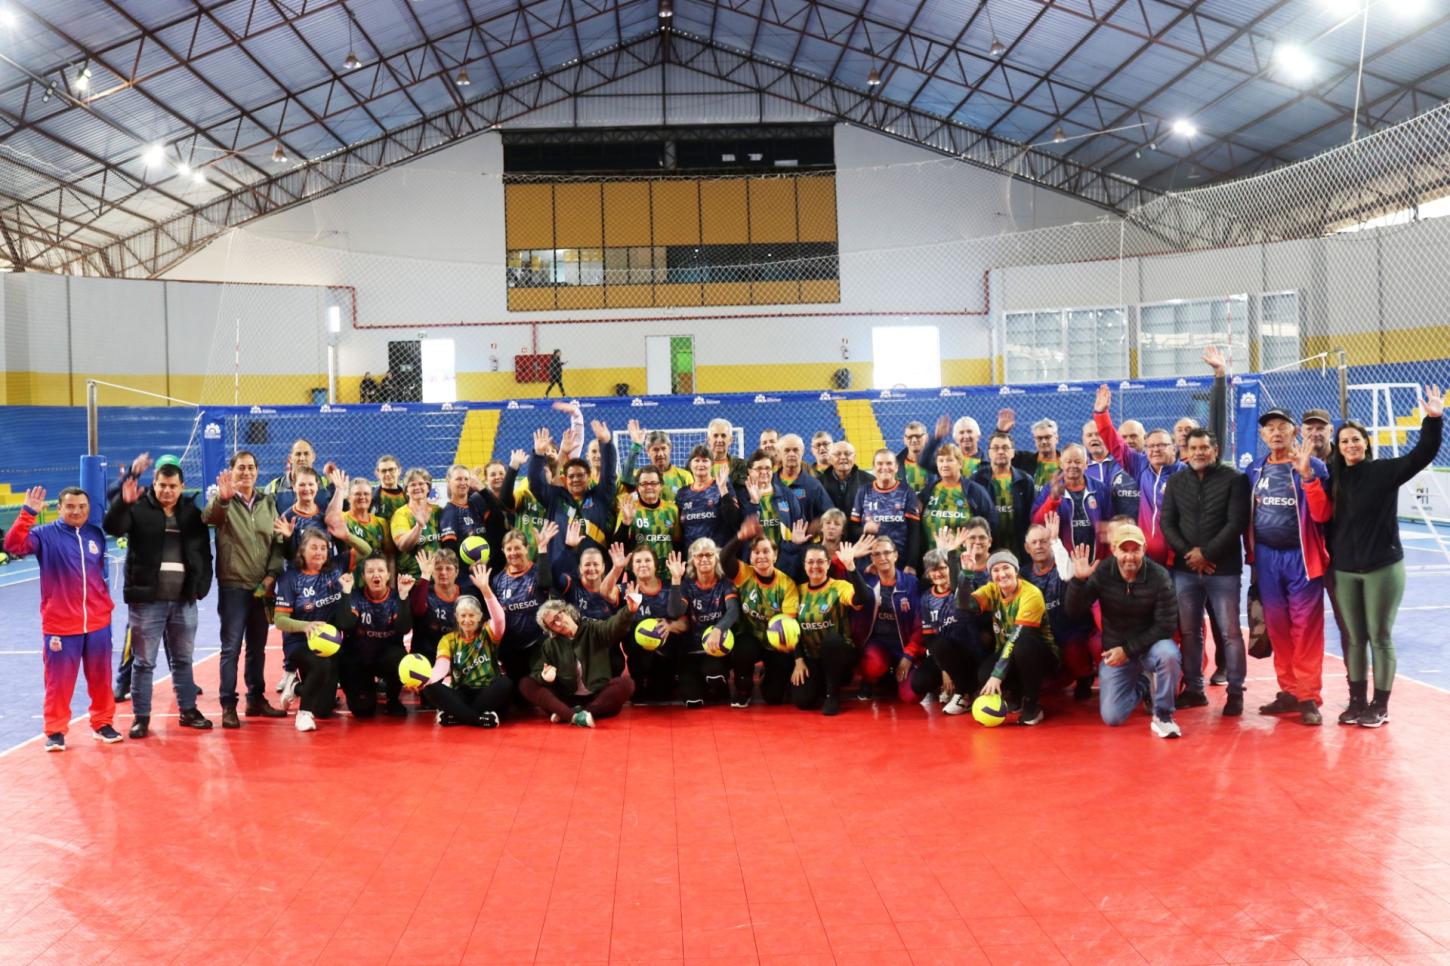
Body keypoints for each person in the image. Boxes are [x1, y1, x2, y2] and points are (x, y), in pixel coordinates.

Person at [1325, 387, 1444, 727]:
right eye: (1345, 441)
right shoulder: (1331, 478)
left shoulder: (1384, 471)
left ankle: (1380, 705)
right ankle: (1356, 701)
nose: (1351, 445)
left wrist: (1433, 419)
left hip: (1382, 568)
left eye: (1356, 440)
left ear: (1366, 443)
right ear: (1338, 446)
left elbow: (1422, 453)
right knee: (1354, 638)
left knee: (1379, 635)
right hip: (1346, 570)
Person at [4, 485, 122, 751]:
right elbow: (13, 545)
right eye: (70, 506)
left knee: (102, 678)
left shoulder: (95, 534)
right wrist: (27, 513)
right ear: (60, 508)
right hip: (60, 624)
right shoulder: (44, 534)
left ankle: (102, 723)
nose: (76, 511)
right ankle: (55, 730)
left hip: (97, 623)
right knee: (58, 682)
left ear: (88, 509)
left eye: (81, 507)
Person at [104, 456, 214, 738]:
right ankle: (141, 718)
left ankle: (188, 710)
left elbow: (203, 552)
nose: (167, 491)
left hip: (183, 601)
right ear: (154, 484)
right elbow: (113, 527)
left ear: (182, 487)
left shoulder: (191, 513)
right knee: (144, 663)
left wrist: (201, 586)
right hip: (147, 602)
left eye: (172, 486)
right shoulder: (139, 507)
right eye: (162, 485)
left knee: (182, 660)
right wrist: (123, 503)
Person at [1248, 408, 1332, 725]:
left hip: (1302, 559)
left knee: (1306, 629)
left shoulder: (1315, 466)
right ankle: (1289, 691)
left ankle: (1308, 696)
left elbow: (1322, 514)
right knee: (1278, 628)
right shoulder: (1254, 469)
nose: (1276, 432)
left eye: (1283, 426)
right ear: (1262, 436)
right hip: (1267, 560)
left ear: (1294, 432)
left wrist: (1308, 476)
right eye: (1270, 428)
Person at [1161, 427, 1250, 716]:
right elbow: (1167, 523)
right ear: (1185, 451)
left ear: (1214, 450)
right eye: (1194, 448)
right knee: (1189, 632)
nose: (1199, 452)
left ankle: (1235, 692)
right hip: (1186, 570)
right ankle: (1195, 689)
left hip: (1223, 570)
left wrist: (1207, 554)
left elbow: (1235, 522)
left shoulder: (1235, 479)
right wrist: (1191, 555)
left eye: (1204, 447)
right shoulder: (1176, 481)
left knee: (1230, 633)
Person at [1064, 524, 1183, 738]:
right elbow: (1074, 611)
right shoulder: (1103, 572)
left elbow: (1166, 625)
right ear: (1114, 550)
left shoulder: (1159, 577)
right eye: (1124, 549)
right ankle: (1145, 683)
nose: (1130, 556)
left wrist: (1127, 650)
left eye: (1135, 550)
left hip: (1148, 648)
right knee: (1113, 717)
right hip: (1116, 651)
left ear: (1144, 549)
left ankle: (1163, 716)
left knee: (1169, 654)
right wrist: (1079, 581)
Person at [204, 451, 287, 728]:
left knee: (257, 648)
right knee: (230, 649)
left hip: (262, 587)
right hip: (233, 586)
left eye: (251, 467)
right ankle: (228, 705)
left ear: (257, 471)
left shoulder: (267, 501)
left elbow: (277, 541)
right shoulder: (223, 500)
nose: (246, 472)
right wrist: (223, 499)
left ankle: (256, 699)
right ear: (232, 471)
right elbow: (209, 518)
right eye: (241, 468)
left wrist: (272, 575)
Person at [958, 550, 1057, 726]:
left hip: (1042, 655)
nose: (1002, 574)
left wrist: (998, 675)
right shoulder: (992, 590)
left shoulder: (1030, 593)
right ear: (991, 575)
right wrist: (966, 574)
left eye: (1006, 568)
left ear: (1016, 570)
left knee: (1022, 644)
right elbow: (965, 604)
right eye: (996, 570)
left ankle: (1032, 703)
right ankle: (1016, 693)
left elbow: (1018, 635)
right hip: (1009, 652)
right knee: (984, 675)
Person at [273, 529, 356, 733]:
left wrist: (345, 534)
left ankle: (296, 688)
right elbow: (279, 620)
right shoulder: (290, 578)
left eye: (323, 548)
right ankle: (303, 714)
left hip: (329, 642)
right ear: (302, 550)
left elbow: (367, 549)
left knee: (324, 709)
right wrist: (305, 626)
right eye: (313, 547)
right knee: (321, 664)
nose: (319, 552)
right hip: (299, 643)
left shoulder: (335, 568)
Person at [522, 597, 639, 727]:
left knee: (626, 684)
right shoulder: (549, 645)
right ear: (550, 629)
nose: (559, 624)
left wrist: (629, 610)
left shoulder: (593, 629)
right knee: (526, 683)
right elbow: (537, 671)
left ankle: (573, 713)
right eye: (553, 624)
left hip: (596, 695)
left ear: (566, 611)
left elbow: (613, 625)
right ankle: (574, 716)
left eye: (558, 617)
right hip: (567, 698)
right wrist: (544, 677)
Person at [722, 519, 801, 707]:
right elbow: (724, 559)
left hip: (777, 644)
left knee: (773, 698)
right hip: (751, 638)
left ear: (775, 556)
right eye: (756, 552)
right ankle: (744, 688)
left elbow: (790, 624)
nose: (761, 556)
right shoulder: (744, 573)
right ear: (750, 557)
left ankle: (772, 675)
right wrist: (739, 537)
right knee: (743, 647)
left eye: (766, 551)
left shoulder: (787, 584)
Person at [1023, 516, 1099, 702]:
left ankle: (1084, 677)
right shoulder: (1022, 574)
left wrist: (1056, 541)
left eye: (1044, 541)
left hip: (1072, 632)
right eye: (1034, 542)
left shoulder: (1065, 566)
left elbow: (1069, 576)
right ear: (1027, 548)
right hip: (1044, 636)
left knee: (1073, 651)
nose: (1039, 546)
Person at [792, 542, 870, 715]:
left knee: (832, 640)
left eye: (820, 562)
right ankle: (822, 685)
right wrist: (798, 660)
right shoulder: (797, 591)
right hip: (813, 657)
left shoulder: (839, 586)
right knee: (803, 701)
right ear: (804, 565)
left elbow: (863, 598)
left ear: (828, 564)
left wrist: (851, 567)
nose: (815, 566)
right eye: (810, 562)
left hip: (841, 653)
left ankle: (833, 695)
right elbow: (792, 628)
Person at [666, 541, 741, 707]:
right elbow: (674, 612)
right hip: (690, 650)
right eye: (699, 555)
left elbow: (733, 611)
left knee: (714, 676)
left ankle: (717, 685)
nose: (704, 559)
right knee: (693, 701)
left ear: (716, 558)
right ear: (693, 560)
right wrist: (676, 580)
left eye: (708, 555)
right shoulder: (687, 585)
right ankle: (698, 684)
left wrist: (718, 629)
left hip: (716, 650)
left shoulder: (725, 584)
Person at [424, 588, 512, 728]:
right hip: (462, 692)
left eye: (471, 615)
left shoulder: (488, 632)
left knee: (505, 683)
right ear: (457, 618)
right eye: (463, 615)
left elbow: (499, 619)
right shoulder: (448, 640)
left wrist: (487, 592)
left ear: (479, 617)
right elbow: (441, 667)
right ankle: (478, 719)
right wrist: (427, 680)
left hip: (487, 690)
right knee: (429, 687)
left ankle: (458, 716)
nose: (467, 620)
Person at [528, 420, 617, 556]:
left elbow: (609, 474)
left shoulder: (600, 496)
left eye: (580, 475)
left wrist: (606, 444)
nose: (576, 479)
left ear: (588, 477)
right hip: (560, 569)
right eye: (572, 476)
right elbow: (535, 483)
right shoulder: (555, 497)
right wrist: (538, 454)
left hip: (595, 568)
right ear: (566, 478)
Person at [341, 557, 415, 718]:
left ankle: (393, 699)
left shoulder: (397, 597)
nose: (376, 574)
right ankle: (366, 688)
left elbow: (404, 628)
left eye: (381, 570)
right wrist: (346, 592)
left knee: (400, 658)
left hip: (386, 657)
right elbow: (345, 624)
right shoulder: (355, 596)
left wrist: (403, 597)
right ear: (363, 577)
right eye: (370, 571)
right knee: (363, 711)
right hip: (359, 659)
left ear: (388, 575)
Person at [852, 536, 924, 702]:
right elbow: (838, 577)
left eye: (886, 553)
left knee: (911, 697)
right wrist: (852, 557)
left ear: (896, 555)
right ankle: (869, 679)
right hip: (877, 644)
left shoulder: (911, 583)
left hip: (904, 645)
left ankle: (893, 677)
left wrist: (909, 656)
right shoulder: (866, 581)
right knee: (874, 665)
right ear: (872, 558)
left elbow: (920, 624)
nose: (882, 558)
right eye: (877, 554)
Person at [622, 545, 685, 705]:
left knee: (661, 695)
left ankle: (669, 677)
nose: (643, 564)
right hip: (637, 653)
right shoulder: (626, 590)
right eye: (638, 561)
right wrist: (617, 568)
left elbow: (685, 622)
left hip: (665, 653)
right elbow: (604, 592)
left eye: (647, 560)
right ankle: (639, 679)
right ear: (632, 567)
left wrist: (671, 626)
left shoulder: (670, 588)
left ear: (656, 565)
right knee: (639, 696)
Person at [1030, 443, 1111, 562]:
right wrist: (1053, 499)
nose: (1073, 465)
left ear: (1086, 464)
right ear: (1061, 464)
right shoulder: (1050, 489)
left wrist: (1106, 560)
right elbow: (1036, 522)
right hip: (1063, 564)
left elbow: (1109, 525)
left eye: (1078, 462)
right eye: (1068, 462)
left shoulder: (1100, 489)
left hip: (1097, 563)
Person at [918, 443, 996, 557]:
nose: (944, 464)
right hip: (932, 561)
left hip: (965, 560)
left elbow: (991, 523)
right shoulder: (928, 491)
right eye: (941, 460)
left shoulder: (975, 491)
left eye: (950, 460)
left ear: (960, 463)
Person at [849, 450, 921, 570]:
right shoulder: (864, 491)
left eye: (889, 463)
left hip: (899, 562)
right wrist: (864, 529)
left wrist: (911, 564)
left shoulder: (907, 492)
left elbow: (914, 532)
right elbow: (851, 529)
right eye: (880, 463)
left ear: (896, 467)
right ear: (873, 467)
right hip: (869, 562)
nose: (884, 467)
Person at [972, 431, 1034, 552]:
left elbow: (1031, 516)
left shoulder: (1025, 481)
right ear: (989, 453)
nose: (1000, 451)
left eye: (1005, 448)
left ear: (1012, 452)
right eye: (996, 448)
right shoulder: (977, 480)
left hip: (1019, 547)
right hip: (987, 547)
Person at [675, 446, 741, 547]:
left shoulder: (723, 486)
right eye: (697, 460)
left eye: (705, 461)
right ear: (690, 464)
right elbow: (679, 531)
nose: (701, 464)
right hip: (692, 558)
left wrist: (723, 489)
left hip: (717, 556)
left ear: (712, 464)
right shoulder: (682, 494)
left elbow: (734, 519)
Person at [266, 438, 334, 514]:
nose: (302, 458)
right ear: (290, 458)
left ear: (313, 457)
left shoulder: (326, 484)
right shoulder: (274, 487)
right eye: (298, 454)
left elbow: (342, 510)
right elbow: (268, 520)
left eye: (306, 454)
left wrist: (334, 484)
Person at [995, 410, 1060, 490]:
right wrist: (1001, 432)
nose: (1043, 441)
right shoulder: (1023, 460)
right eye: (1039, 438)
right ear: (1034, 440)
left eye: (1047, 437)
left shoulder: (1067, 462)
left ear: (1057, 438)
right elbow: (998, 453)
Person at [775, 434, 833, 520]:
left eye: (795, 450)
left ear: (802, 452)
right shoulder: (769, 482)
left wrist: (813, 528)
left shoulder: (814, 485)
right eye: (787, 450)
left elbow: (829, 515)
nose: (791, 454)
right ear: (779, 453)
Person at [819, 440, 874, 515]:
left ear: (854, 458)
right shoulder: (818, 483)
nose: (843, 457)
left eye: (847, 454)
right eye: (837, 454)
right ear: (830, 459)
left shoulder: (870, 481)